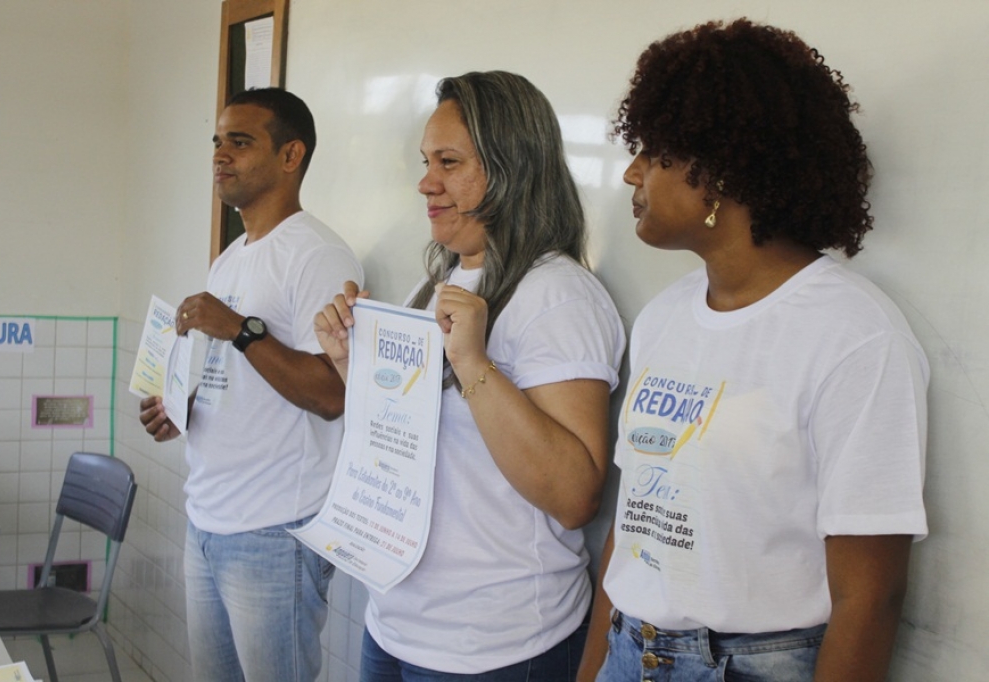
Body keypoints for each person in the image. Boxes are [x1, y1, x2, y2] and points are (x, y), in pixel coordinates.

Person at [577, 19, 929, 682]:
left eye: (655, 152)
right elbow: (634, 529)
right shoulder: (663, 318)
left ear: (718, 171)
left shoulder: (854, 336)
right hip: (629, 650)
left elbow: (870, 597)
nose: (631, 173)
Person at [316, 71, 626, 681]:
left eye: (450, 162)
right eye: (426, 161)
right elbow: (422, 443)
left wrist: (475, 363)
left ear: (513, 169)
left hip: (496, 644)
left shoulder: (560, 296)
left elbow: (575, 498)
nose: (426, 182)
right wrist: (352, 365)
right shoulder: (438, 281)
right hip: (397, 622)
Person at [138, 87, 363, 682]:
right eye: (217, 142)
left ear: (291, 155)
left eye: (240, 142)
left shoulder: (317, 254)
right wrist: (183, 406)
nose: (220, 155)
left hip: (273, 531)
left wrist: (239, 327)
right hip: (208, 517)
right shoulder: (232, 257)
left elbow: (331, 394)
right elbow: (241, 376)